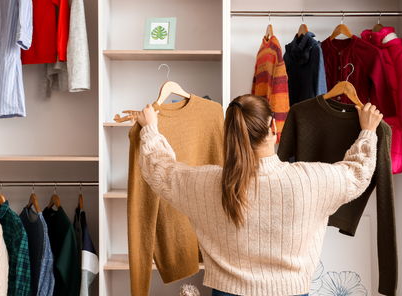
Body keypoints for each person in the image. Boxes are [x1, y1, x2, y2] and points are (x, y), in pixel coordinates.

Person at [137, 94, 383, 296]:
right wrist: (368, 131)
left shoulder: (207, 183)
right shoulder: (310, 181)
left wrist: (149, 129)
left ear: (230, 134)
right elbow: (358, 173)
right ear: (273, 127)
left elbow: (160, 171)